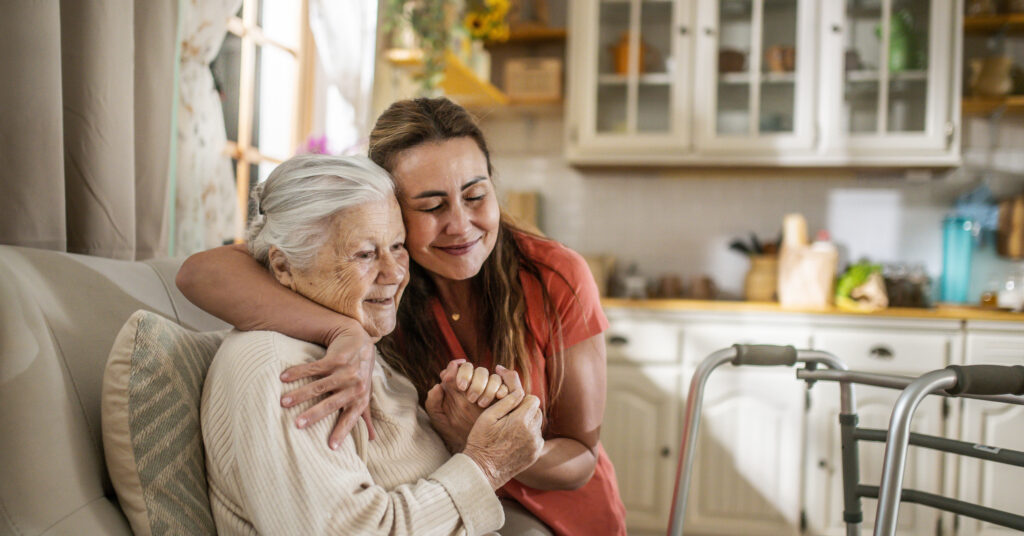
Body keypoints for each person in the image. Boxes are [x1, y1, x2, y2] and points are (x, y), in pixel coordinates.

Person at [179, 97, 627, 535]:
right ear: (393, 207)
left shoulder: (551, 275)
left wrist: (497, 444)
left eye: (475, 195)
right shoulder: (371, 295)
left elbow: (581, 455)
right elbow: (201, 272)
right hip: (472, 502)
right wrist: (344, 332)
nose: (460, 225)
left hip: (562, 512)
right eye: (431, 207)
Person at [200, 153, 544, 535]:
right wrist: (486, 464)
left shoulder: (351, 346)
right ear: (283, 267)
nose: (395, 273)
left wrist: (456, 438)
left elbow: (398, 486)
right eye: (364, 254)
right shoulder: (286, 371)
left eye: (397, 246)